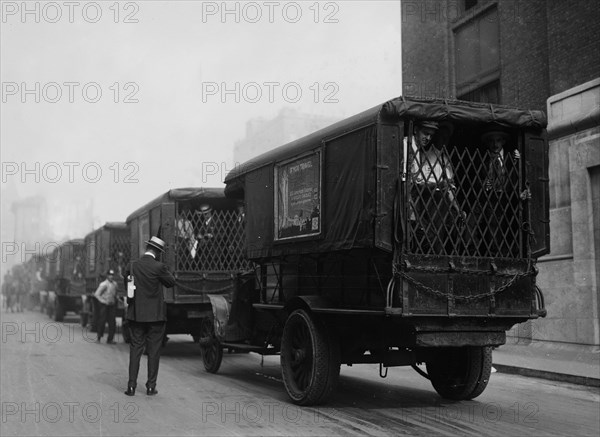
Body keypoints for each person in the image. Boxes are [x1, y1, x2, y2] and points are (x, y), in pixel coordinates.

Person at [124, 236, 176, 396]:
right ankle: (150, 387)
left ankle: (131, 386)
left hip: (136, 315)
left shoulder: (133, 265)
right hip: (156, 317)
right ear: (158, 252)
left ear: (146, 249)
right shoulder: (159, 267)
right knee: (153, 351)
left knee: (135, 349)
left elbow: (125, 281)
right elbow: (171, 282)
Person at [407, 120, 464, 254]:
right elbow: (419, 181)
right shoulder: (424, 155)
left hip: (442, 200)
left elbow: (449, 185)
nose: (444, 140)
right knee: (432, 232)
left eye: (447, 138)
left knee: (450, 227)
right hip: (429, 198)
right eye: (441, 137)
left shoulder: (445, 158)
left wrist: (457, 207)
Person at [478, 129, 530, 257]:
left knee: (510, 227)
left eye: (498, 141)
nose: (495, 145)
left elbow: (520, 177)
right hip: (491, 199)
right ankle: (494, 255)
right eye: (492, 141)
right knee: (492, 229)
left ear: (504, 142)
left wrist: (522, 191)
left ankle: (511, 254)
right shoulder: (483, 160)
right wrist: (484, 185)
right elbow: (476, 181)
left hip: (509, 199)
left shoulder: (512, 158)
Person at [94, 269, 118, 344]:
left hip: (111, 305)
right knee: (102, 321)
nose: (111, 276)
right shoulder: (103, 284)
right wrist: (103, 301)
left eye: (112, 275)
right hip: (104, 305)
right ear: (107, 276)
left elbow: (115, 294)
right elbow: (97, 294)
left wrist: (117, 299)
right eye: (110, 275)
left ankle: (110, 339)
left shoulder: (115, 284)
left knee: (112, 322)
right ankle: (99, 337)